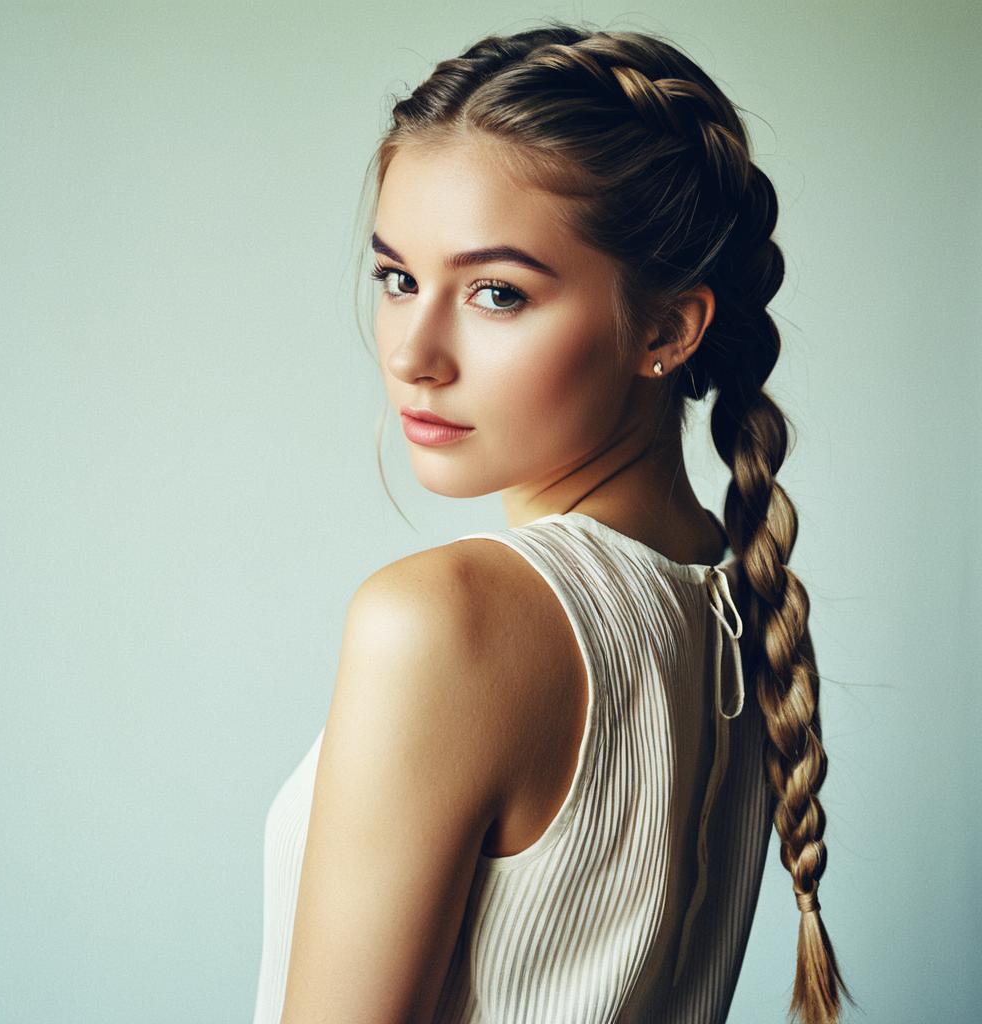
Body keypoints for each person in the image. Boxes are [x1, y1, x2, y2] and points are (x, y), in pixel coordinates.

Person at [251, 20, 855, 1024]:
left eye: (496, 292)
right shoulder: (739, 603)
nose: (412, 352)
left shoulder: (445, 617)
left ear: (665, 328)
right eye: (398, 278)